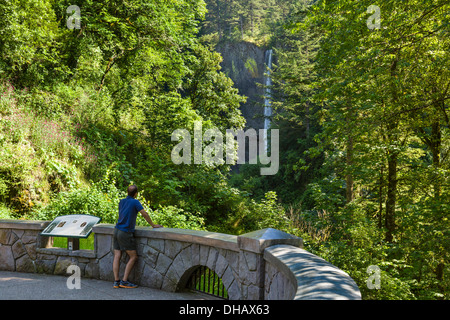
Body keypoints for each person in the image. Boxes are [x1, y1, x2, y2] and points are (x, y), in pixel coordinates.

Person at [113, 185, 163, 288]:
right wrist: (153, 225)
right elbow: (144, 214)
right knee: (133, 256)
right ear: (136, 193)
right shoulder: (135, 202)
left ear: (127, 192)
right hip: (125, 232)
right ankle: (124, 281)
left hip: (116, 230)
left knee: (117, 255)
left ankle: (116, 281)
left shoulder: (122, 201)